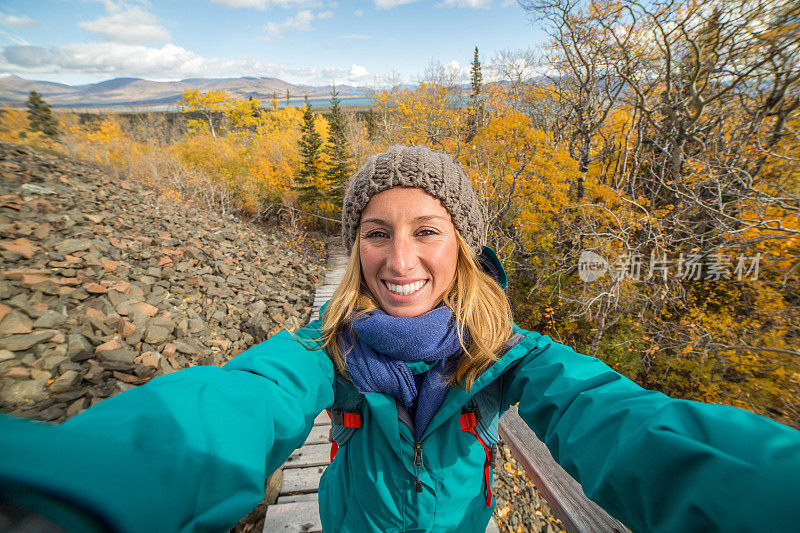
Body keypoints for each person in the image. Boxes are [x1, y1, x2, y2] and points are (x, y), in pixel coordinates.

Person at [1, 145, 799, 533]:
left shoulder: (511, 354)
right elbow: (239, 401)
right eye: (376, 234)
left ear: (463, 244)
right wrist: (82, 484)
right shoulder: (328, 344)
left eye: (427, 230)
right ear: (355, 251)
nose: (400, 258)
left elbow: (625, 424)